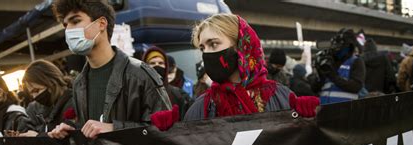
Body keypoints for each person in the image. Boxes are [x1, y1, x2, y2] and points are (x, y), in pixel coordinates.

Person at [49, 0, 171, 140]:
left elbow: (164, 130)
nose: (68, 30)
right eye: (65, 25)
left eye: (75, 21)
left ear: (101, 24)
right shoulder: (79, 83)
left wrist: (114, 129)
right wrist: (73, 130)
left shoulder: (140, 75)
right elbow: (91, 130)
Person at [179, 13, 317, 122]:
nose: (207, 54)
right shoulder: (202, 107)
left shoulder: (280, 96)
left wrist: (307, 120)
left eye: (213, 44)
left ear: (241, 47)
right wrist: (168, 133)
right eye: (203, 48)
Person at [312, 28, 366, 105]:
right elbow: (314, 88)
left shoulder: (356, 61)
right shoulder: (328, 62)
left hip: (345, 110)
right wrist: (320, 76)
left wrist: (333, 77)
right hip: (323, 109)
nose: (336, 48)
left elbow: (356, 87)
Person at [22, 59, 75, 136]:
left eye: (37, 90)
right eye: (31, 93)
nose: (34, 97)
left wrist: (38, 137)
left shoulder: (73, 102)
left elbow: (66, 139)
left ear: (51, 82)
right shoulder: (39, 109)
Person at [142, 46, 192, 119]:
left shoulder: (178, 94)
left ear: (166, 66)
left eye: (160, 63)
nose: (157, 65)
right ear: (145, 66)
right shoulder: (137, 93)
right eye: (152, 63)